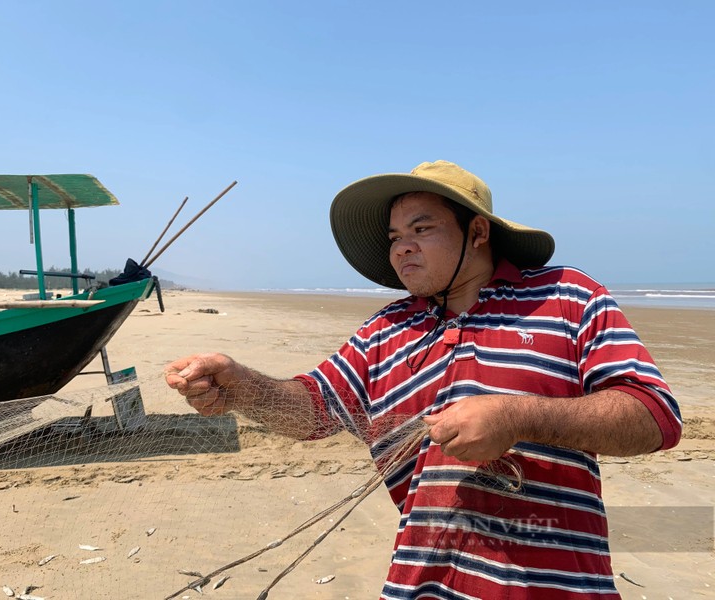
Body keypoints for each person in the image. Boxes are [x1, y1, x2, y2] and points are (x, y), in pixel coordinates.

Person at [166, 160, 682, 599]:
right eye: (395, 237)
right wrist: (240, 386)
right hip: (421, 585)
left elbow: (655, 416)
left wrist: (517, 415)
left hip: (557, 585)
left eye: (421, 229)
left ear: (477, 232)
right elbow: (315, 409)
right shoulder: (386, 329)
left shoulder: (567, 297)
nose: (401, 248)